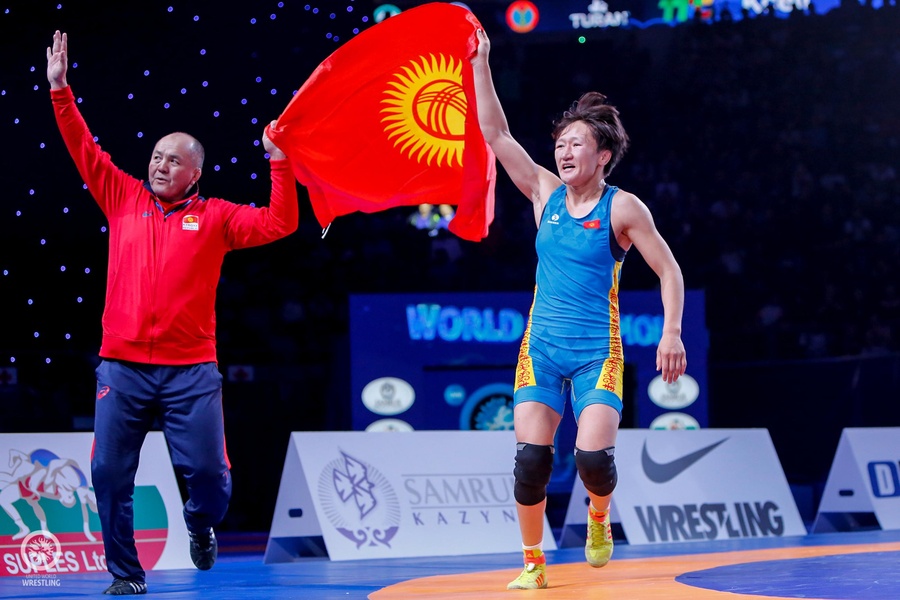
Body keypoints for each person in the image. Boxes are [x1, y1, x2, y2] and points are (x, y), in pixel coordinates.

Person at [46, 31, 299, 596]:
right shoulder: (121, 195)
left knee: (209, 481)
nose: (161, 166)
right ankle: (126, 575)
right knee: (110, 476)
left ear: (194, 173)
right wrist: (61, 90)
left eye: (173, 161)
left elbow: (281, 223)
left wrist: (279, 163)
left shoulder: (217, 217)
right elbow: (83, 147)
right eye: (157, 157)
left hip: (191, 373)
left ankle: (199, 523)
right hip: (121, 367)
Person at [471, 29, 687, 590]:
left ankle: (598, 515)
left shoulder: (624, 208)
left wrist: (671, 333)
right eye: (560, 144)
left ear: (603, 156)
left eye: (577, 145)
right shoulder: (545, 194)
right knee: (530, 463)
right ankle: (533, 564)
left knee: (593, 463)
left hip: (597, 351)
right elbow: (495, 132)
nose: (564, 153)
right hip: (540, 348)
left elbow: (669, 270)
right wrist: (482, 61)